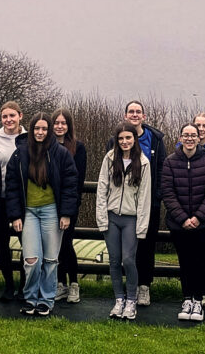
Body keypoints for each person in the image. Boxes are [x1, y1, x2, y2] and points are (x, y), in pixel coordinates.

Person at [5, 112, 78, 316]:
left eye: (44, 129)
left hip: (52, 212)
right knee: (31, 259)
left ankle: (46, 299)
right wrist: (15, 216)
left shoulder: (60, 153)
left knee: (51, 259)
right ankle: (30, 297)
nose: (40, 132)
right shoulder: (20, 154)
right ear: (32, 129)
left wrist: (66, 213)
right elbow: (11, 187)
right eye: (36, 128)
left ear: (49, 131)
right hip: (28, 212)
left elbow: (70, 185)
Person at [161, 123, 205, 322]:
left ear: (198, 138)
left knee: (200, 260)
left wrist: (198, 217)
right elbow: (167, 192)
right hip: (178, 224)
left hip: (202, 224)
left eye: (193, 135)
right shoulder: (170, 161)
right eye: (186, 135)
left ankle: (198, 300)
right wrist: (183, 218)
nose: (189, 139)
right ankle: (187, 298)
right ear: (179, 138)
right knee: (184, 261)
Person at [95, 122, 151, 320]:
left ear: (134, 139)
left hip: (131, 219)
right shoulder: (109, 159)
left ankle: (131, 300)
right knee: (114, 260)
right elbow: (102, 189)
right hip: (111, 217)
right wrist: (101, 218)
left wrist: (142, 226)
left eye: (128, 138)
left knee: (128, 259)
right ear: (116, 141)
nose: (125, 142)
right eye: (121, 138)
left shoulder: (143, 163)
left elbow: (144, 197)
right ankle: (119, 299)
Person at [120, 100, 168, 307]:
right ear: (125, 115)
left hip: (150, 204)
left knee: (147, 246)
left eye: (138, 112)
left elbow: (162, 170)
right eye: (131, 111)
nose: (134, 114)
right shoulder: (117, 138)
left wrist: (156, 197)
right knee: (127, 248)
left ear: (144, 116)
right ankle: (129, 285)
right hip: (126, 204)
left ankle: (144, 287)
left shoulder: (155, 139)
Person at [175, 113, 205, 307]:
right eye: (198, 125)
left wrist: (200, 213)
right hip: (184, 211)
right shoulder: (179, 150)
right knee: (186, 255)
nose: (201, 129)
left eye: (204, 126)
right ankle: (188, 294)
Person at [0, 100, 26, 302]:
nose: (9, 120)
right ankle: (8, 285)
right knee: (2, 244)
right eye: (4, 116)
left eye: (12, 115)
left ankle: (25, 286)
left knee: (27, 244)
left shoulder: (29, 138)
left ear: (20, 116)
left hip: (23, 200)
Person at [52, 108, 87, 304]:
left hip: (69, 204)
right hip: (50, 204)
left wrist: (71, 206)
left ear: (69, 126)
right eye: (56, 123)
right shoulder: (46, 146)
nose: (59, 126)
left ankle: (73, 284)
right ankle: (59, 284)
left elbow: (78, 179)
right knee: (54, 246)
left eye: (63, 123)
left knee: (66, 244)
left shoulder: (78, 147)